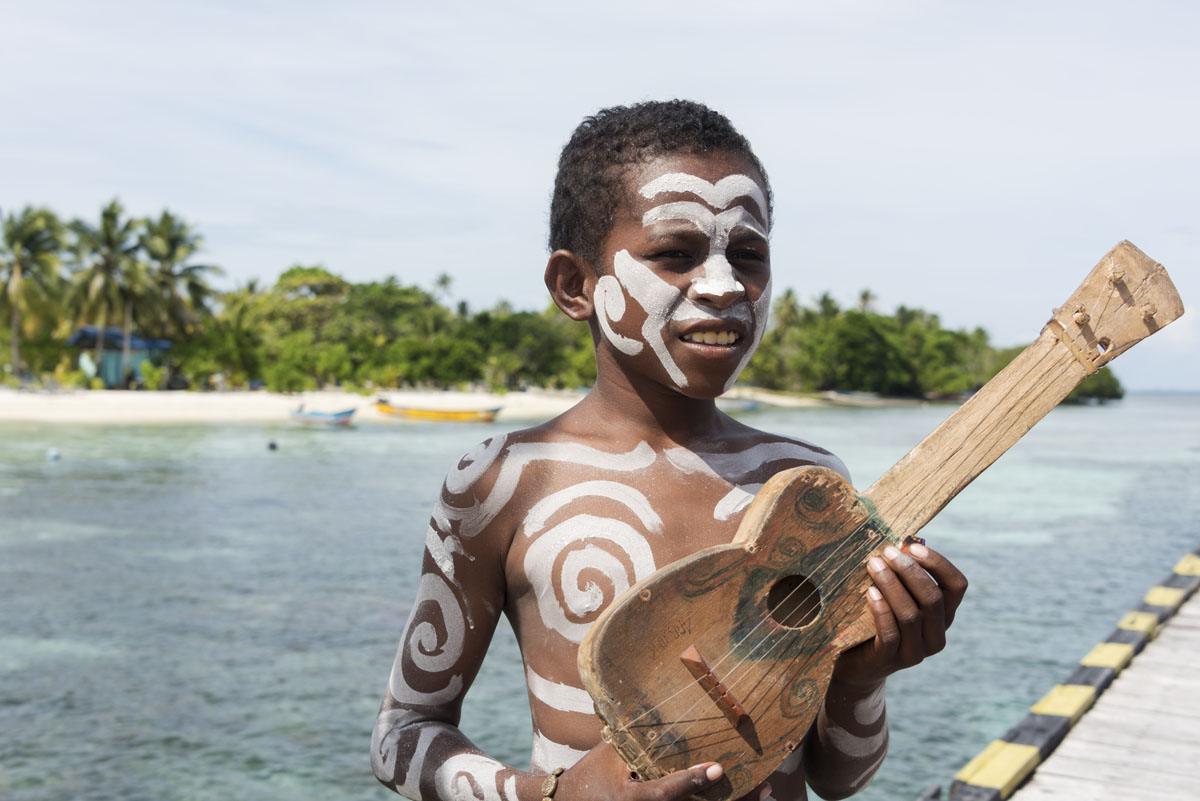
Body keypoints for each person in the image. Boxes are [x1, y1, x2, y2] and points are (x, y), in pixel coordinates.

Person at [370, 100, 968, 801]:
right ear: (574, 285)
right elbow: (402, 732)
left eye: (747, 255)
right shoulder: (504, 482)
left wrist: (866, 676)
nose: (722, 287)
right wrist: (553, 795)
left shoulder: (806, 486)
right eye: (675, 255)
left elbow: (840, 777)